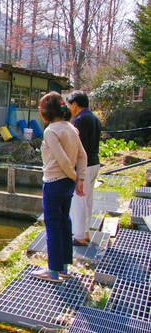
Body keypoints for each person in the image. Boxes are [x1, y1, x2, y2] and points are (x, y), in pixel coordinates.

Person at [30, 92, 87, 282]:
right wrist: (78, 179)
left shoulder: (51, 130)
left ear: (46, 111)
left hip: (54, 183)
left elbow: (62, 159)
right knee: (64, 222)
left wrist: (75, 175)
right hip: (68, 185)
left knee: (53, 226)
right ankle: (63, 266)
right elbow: (82, 155)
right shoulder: (70, 128)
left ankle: (52, 270)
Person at [67, 91, 102, 246]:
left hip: (85, 166)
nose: (68, 108)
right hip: (95, 163)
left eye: (69, 104)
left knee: (79, 200)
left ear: (75, 104)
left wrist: (75, 170)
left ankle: (79, 236)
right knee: (88, 199)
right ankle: (86, 232)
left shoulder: (80, 119)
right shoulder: (94, 117)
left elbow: (79, 149)